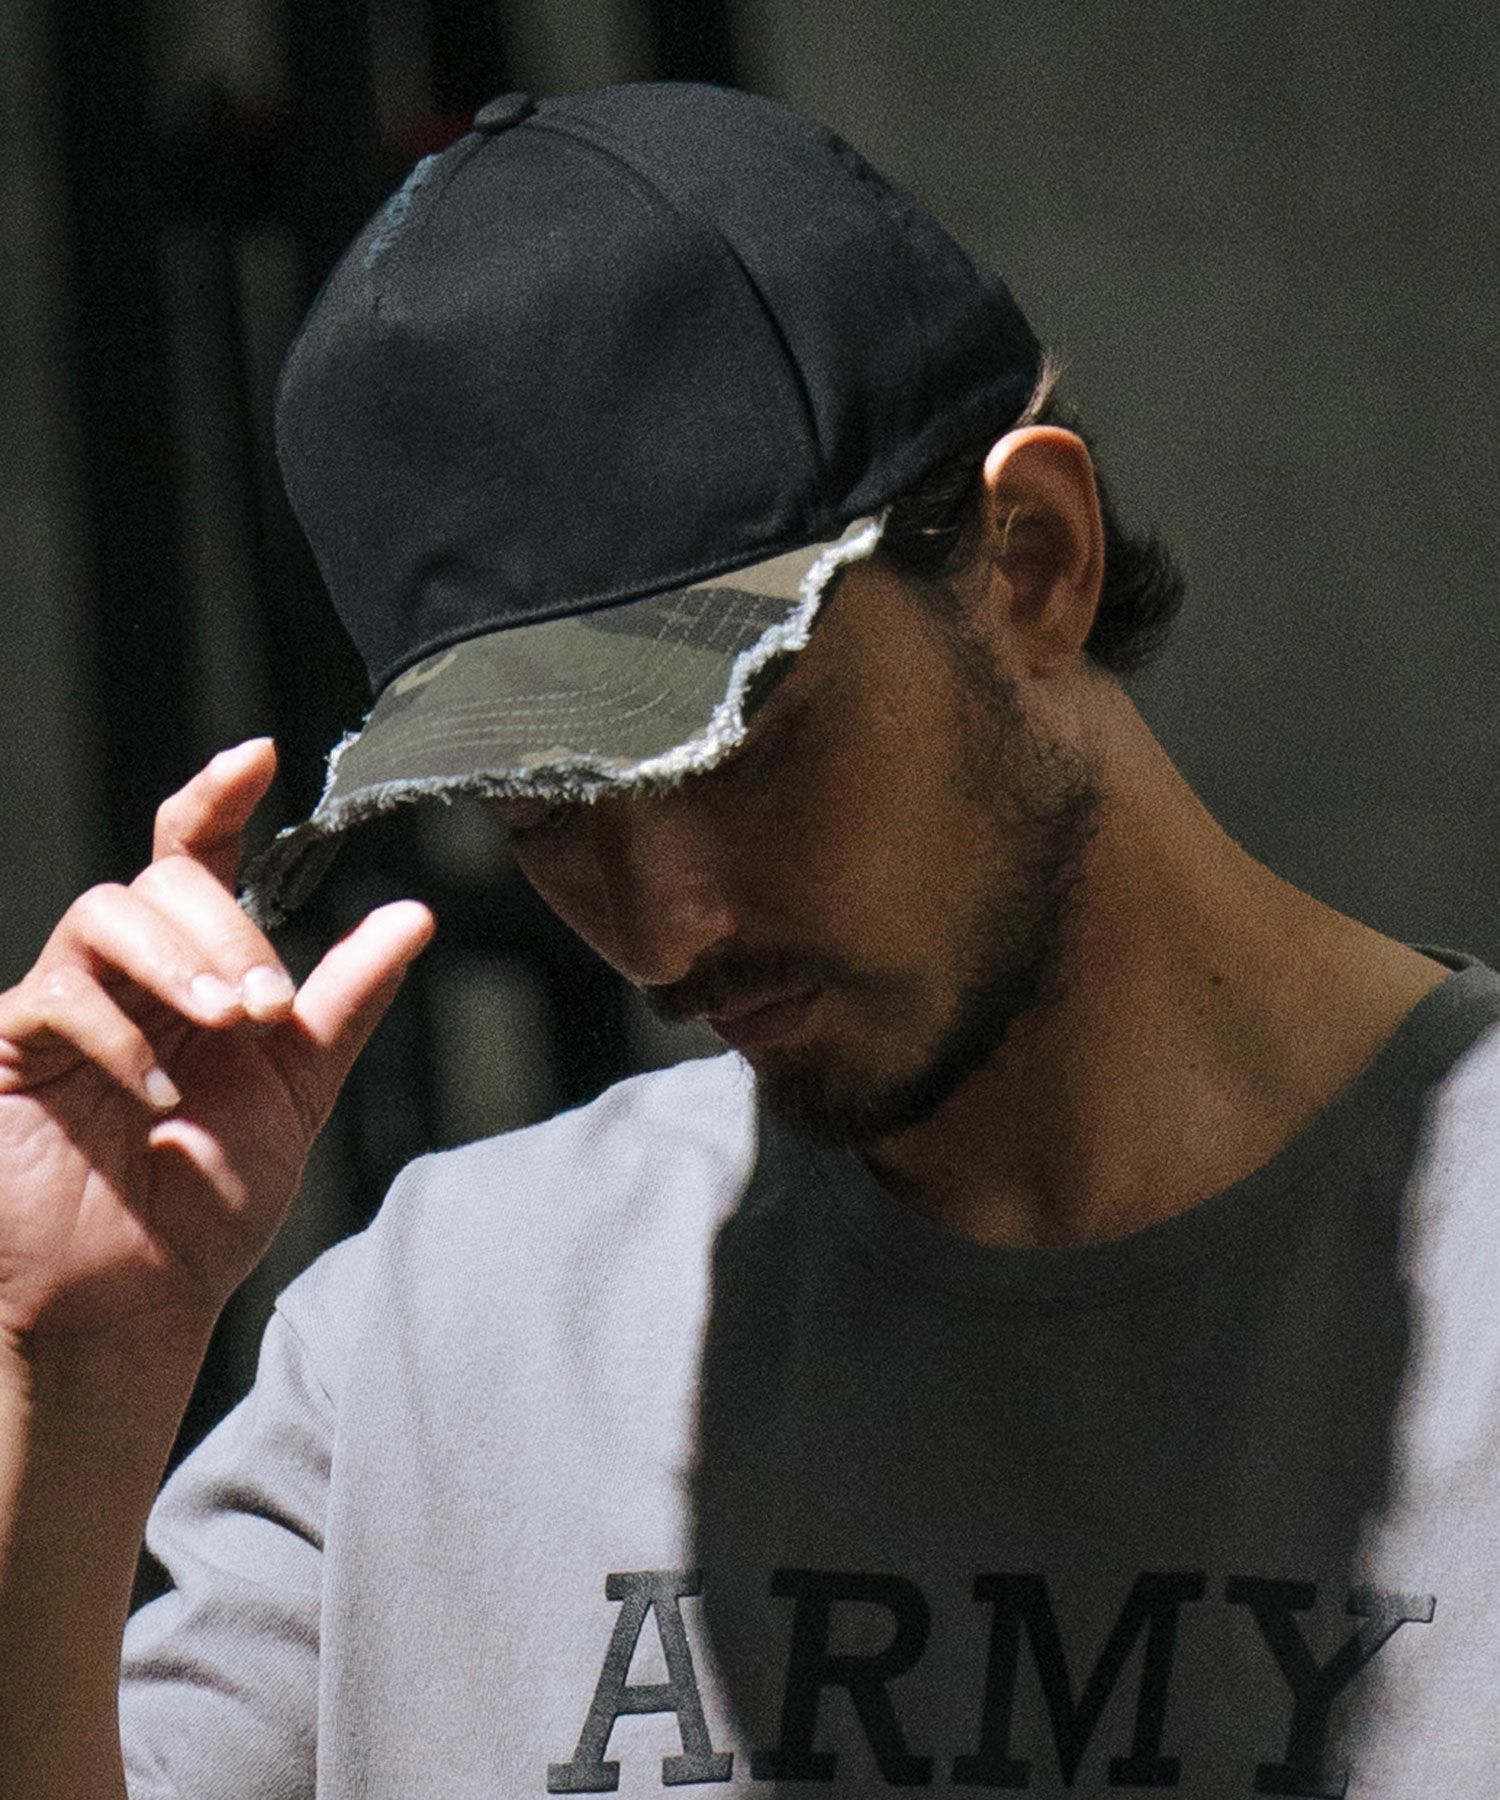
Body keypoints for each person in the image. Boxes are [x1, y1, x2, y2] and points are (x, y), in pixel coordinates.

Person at [1, 80, 1496, 1800]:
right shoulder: (440, 1342)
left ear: (1032, 561)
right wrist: (65, 1378)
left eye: (739, 744)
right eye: (542, 811)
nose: (659, 929)